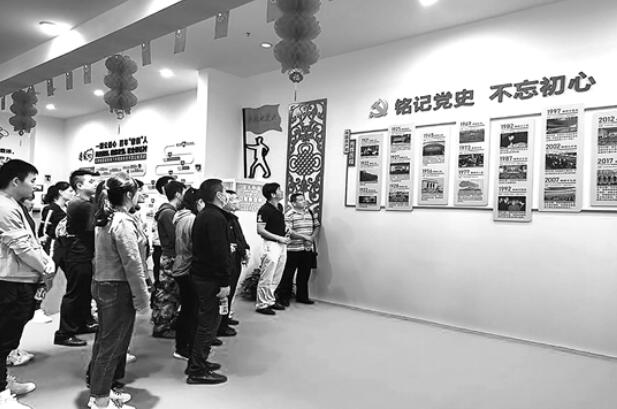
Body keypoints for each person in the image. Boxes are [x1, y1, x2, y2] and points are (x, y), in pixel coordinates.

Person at [88, 174, 149, 409]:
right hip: (117, 286)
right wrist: (142, 298)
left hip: (105, 283)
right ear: (129, 195)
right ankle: (101, 400)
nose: (140, 196)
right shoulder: (122, 221)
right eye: (138, 192)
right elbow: (132, 262)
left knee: (107, 341)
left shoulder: (108, 217)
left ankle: (101, 392)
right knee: (112, 345)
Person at [0, 159, 55, 409]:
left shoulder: (14, 204)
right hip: (10, 281)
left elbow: (30, 241)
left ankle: (3, 383)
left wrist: (45, 261)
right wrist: (45, 266)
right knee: (4, 340)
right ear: (15, 181)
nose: (35, 186)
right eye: (32, 181)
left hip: (19, 279)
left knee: (9, 338)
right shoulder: (4, 206)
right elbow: (22, 247)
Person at [186, 179, 230, 385]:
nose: (227, 195)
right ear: (219, 195)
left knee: (206, 322)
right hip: (209, 278)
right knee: (208, 324)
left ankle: (197, 362)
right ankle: (197, 369)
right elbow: (219, 253)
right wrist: (224, 281)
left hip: (202, 275)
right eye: (225, 191)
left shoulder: (206, 215)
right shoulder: (215, 218)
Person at [54, 169, 100, 347]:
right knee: (74, 293)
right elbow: (98, 224)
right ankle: (64, 333)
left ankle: (80, 324)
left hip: (84, 253)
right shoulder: (80, 204)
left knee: (84, 292)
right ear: (79, 185)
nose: (95, 184)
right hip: (77, 254)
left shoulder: (86, 202)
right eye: (91, 182)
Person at [171, 188, 204, 360]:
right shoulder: (191, 219)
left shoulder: (181, 217)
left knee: (187, 309)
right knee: (190, 311)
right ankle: (184, 347)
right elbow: (194, 245)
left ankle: (184, 345)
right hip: (187, 267)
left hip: (181, 265)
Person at [151, 180, 185, 338]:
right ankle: (162, 326)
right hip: (170, 257)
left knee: (172, 292)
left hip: (172, 256)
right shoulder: (168, 213)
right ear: (178, 194)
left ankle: (167, 322)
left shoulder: (170, 212)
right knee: (167, 293)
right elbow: (175, 237)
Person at [275, 193, 320, 306]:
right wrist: (305, 237)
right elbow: (289, 232)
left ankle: (302, 297)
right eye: (300, 200)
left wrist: (311, 238)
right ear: (293, 203)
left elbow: (317, 226)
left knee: (304, 274)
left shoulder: (310, 212)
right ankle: (284, 298)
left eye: (304, 199)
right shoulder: (289, 214)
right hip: (293, 249)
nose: (304, 201)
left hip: (307, 249)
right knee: (288, 274)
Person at [218, 190, 250, 336]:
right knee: (225, 294)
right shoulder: (222, 219)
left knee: (230, 292)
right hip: (227, 261)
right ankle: (220, 326)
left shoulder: (233, 218)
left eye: (237, 198)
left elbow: (240, 237)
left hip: (236, 258)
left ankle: (225, 319)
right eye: (233, 199)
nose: (237, 201)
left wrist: (245, 249)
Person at [255, 183, 289, 315]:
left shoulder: (279, 207)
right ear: (273, 194)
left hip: (281, 244)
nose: (282, 191)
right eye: (279, 190)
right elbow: (260, 230)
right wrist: (278, 238)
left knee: (277, 274)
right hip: (271, 245)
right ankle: (262, 304)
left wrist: (285, 229)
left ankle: (270, 300)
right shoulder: (264, 210)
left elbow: (278, 224)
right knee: (267, 275)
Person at [151, 176, 174, 287]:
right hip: (161, 246)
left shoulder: (166, 202)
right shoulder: (163, 204)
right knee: (162, 282)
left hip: (162, 246)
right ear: (164, 188)